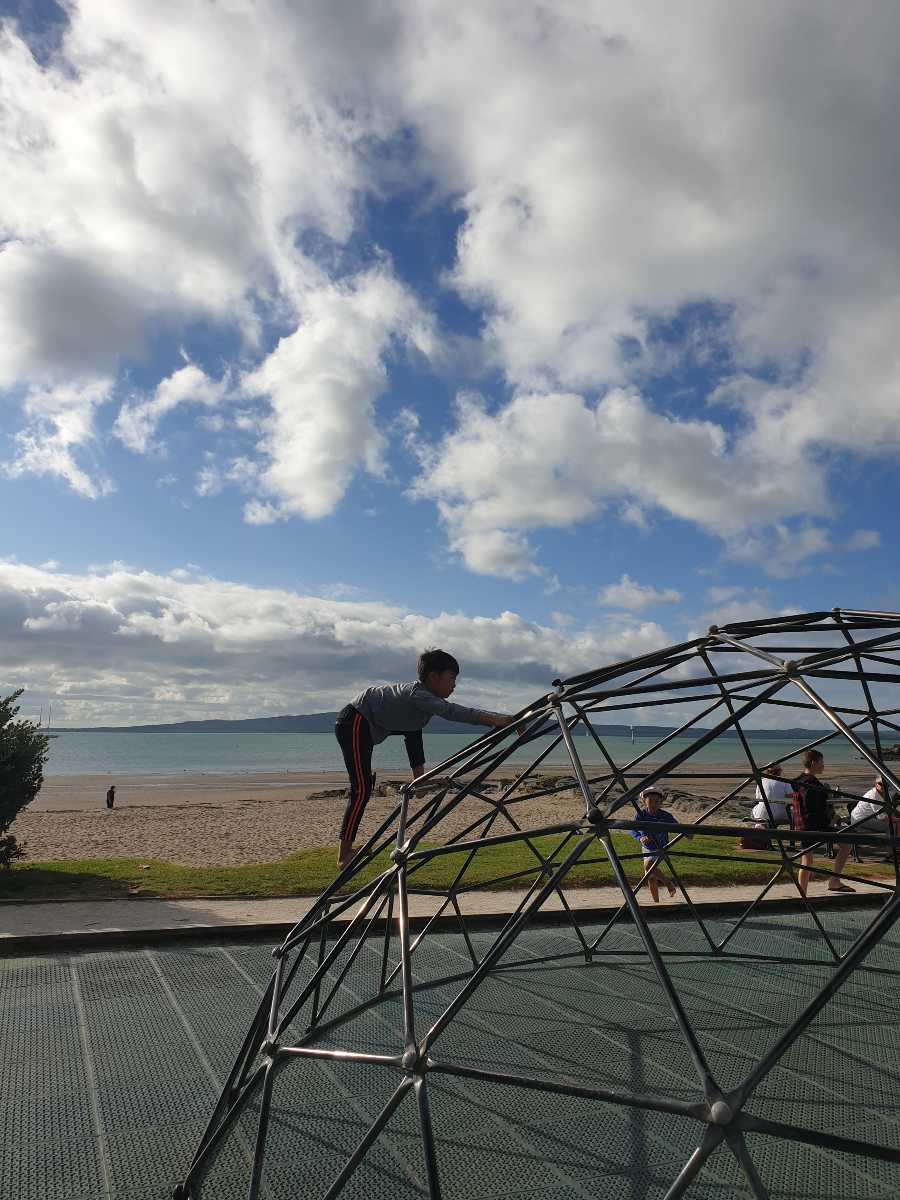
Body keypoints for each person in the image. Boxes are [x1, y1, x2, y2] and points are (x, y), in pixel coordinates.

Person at [334, 648, 520, 870]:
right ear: (433, 676)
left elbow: (418, 730)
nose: (454, 685)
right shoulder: (418, 695)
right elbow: (452, 712)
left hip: (374, 723)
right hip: (355, 720)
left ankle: (419, 782)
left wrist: (500, 719)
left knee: (414, 727)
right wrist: (495, 720)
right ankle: (344, 855)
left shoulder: (423, 702)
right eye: (451, 678)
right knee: (362, 789)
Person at [792, 750, 852, 894]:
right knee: (846, 844)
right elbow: (811, 808)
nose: (823, 765)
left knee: (807, 861)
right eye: (822, 762)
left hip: (801, 825)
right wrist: (828, 822)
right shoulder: (811, 783)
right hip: (813, 827)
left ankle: (803, 894)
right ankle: (833, 881)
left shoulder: (798, 781)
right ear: (814, 763)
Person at [628, 785, 691, 903]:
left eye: (656, 801)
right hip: (646, 848)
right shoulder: (641, 815)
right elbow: (632, 829)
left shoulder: (665, 816)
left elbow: (676, 826)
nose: (653, 804)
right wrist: (640, 837)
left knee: (648, 866)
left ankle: (668, 883)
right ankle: (656, 902)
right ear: (644, 802)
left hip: (660, 848)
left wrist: (688, 834)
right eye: (650, 801)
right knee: (650, 879)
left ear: (661, 802)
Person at [849, 776, 899, 860]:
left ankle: (895, 851)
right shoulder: (874, 795)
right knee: (891, 826)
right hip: (861, 820)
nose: (883, 786)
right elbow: (881, 818)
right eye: (880, 784)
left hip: (869, 818)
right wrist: (897, 820)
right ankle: (889, 855)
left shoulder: (886, 795)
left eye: (886, 785)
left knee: (894, 824)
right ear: (876, 784)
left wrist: (895, 818)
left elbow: (890, 810)